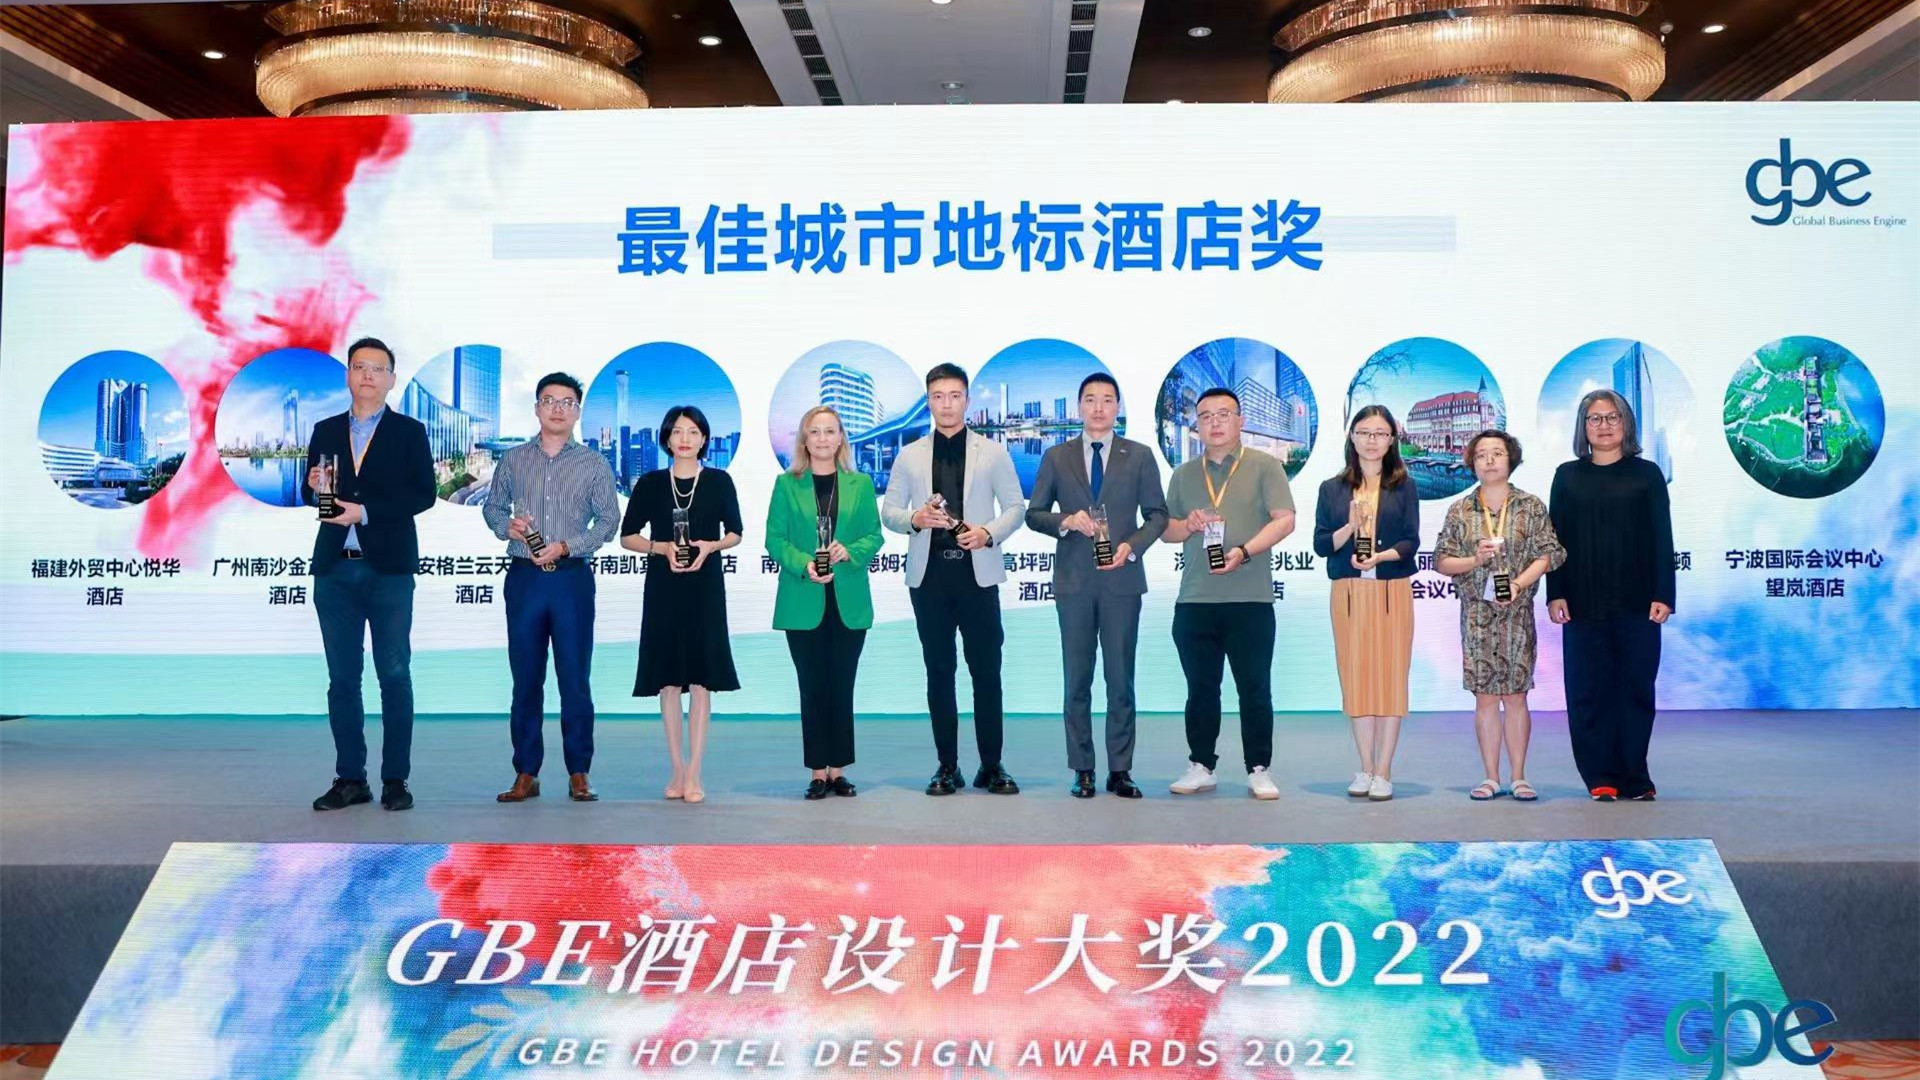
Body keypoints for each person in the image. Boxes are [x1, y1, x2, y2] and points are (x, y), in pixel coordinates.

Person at [881, 363, 1028, 797]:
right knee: (939, 671)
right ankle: (947, 767)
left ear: (967, 399)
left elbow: (1015, 507)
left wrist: (987, 533)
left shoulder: (993, 451)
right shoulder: (910, 454)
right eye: (938, 396)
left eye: (954, 395)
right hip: (929, 578)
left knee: (987, 672)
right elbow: (889, 512)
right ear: (929, 401)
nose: (946, 404)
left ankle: (992, 765)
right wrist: (915, 518)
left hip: (977, 576)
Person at [305, 337, 435, 812]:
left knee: (394, 675)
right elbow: (314, 492)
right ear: (348, 375)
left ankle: (395, 779)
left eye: (377, 369)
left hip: (390, 571)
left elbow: (423, 494)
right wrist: (314, 485)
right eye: (359, 366)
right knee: (342, 679)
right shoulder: (324, 430)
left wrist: (364, 512)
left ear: (391, 380)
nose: (367, 375)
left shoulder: (409, 432)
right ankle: (350, 779)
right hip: (335, 569)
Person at [1024, 373, 1167, 799]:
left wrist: (1132, 546)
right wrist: (1066, 521)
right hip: (1074, 582)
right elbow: (1034, 513)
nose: (1099, 407)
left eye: (1107, 400)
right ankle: (1082, 768)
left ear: (1118, 407)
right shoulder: (1056, 456)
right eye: (1090, 399)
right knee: (1077, 680)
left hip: (1122, 580)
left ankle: (1120, 770)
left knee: (1121, 680)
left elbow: (1158, 515)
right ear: (1079, 407)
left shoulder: (1139, 456)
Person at [482, 373, 620, 804]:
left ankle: (579, 771)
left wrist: (566, 545)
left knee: (575, 679)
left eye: (567, 402)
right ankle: (526, 772)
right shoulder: (513, 459)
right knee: (525, 679)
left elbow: (609, 521)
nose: (558, 409)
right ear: (537, 408)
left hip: (571, 579)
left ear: (577, 411)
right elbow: (492, 507)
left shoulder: (594, 464)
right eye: (549, 400)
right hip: (524, 579)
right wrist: (507, 527)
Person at [1162, 387, 1297, 800]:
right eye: (1205, 416)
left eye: (1223, 414)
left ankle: (1259, 768)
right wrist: (1188, 524)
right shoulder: (1184, 474)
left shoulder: (1265, 466)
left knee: (1254, 689)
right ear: (1197, 426)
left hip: (1250, 601)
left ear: (1241, 421)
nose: (1215, 423)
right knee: (1201, 690)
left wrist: (1244, 551)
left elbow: (1285, 520)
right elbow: (1167, 531)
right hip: (1195, 600)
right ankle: (1201, 765)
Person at [1547, 389, 1674, 802]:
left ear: (1626, 424)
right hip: (1581, 603)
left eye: (1612, 417)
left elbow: (1662, 538)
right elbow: (1554, 542)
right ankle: (1599, 775)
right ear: (1583, 427)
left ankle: (1635, 776)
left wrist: (1664, 593)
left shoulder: (1648, 474)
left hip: (1638, 601)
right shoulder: (1567, 476)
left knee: (1636, 688)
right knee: (1588, 691)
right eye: (1595, 418)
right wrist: (1555, 593)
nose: (1604, 426)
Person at [1434, 429, 1565, 802]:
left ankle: (1519, 776)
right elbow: (1442, 561)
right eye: (1481, 455)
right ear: (1472, 463)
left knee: (1516, 696)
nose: (1489, 460)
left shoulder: (1530, 506)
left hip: (1517, 617)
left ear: (1511, 459)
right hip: (1477, 617)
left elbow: (1550, 553)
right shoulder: (1460, 510)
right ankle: (1490, 777)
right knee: (1486, 699)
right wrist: (1475, 560)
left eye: (1497, 453)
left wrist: (1519, 585)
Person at [622, 404, 743, 805]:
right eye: (677, 431)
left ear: (704, 438)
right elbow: (627, 536)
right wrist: (661, 548)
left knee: (702, 680)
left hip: (705, 587)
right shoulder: (650, 483)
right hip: (664, 587)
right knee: (669, 680)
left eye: (693, 431)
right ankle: (676, 768)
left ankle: (695, 772)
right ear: (667, 438)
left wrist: (711, 546)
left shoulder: (720, 481)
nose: (685, 438)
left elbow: (736, 533)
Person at [766, 406, 885, 799]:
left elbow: (874, 535)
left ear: (840, 438)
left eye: (829, 431)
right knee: (812, 687)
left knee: (841, 686)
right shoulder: (787, 484)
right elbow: (774, 539)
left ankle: (839, 770)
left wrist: (849, 551)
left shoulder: (861, 484)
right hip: (803, 600)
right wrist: (805, 564)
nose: (821, 438)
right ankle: (818, 772)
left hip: (848, 601)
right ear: (804, 439)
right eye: (814, 431)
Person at [1312, 406, 1420, 801]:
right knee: (1356, 678)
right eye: (1364, 432)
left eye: (1380, 433)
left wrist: (1380, 557)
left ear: (1392, 440)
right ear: (1352, 437)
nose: (1372, 440)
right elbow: (1322, 544)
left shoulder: (1404, 486)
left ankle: (1384, 770)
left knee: (1391, 680)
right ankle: (1365, 767)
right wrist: (1350, 527)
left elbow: (1410, 541)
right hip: (1349, 593)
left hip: (1392, 591)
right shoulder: (1332, 488)